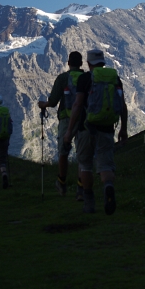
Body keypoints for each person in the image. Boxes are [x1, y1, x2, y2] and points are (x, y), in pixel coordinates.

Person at [64, 49, 127, 215]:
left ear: (89, 63)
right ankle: (108, 187)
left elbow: (77, 105)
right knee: (105, 165)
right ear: (103, 62)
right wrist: (123, 129)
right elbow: (122, 105)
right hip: (106, 128)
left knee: (85, 165)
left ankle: (89, 202)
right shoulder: (115, 79)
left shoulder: (85, 78)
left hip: (86, 128)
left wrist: (69, 130)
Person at [38, 51, 85, 200]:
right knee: (81, 154)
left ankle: (62, 182)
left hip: (66, 118)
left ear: (68, 63)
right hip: (84, 118)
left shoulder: (63, 78)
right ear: (81, 63)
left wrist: (43, 105)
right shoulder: (87, 78)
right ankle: (80, 188)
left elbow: (53, 102)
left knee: (63, 151)